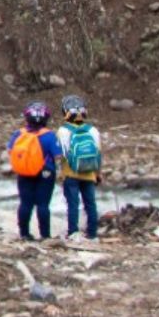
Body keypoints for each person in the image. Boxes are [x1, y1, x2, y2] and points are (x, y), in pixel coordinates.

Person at [6, 101, 63, 240]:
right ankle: (45, 235)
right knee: (43, 204)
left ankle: (24, 233)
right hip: (46, 172)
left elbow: (10, 150)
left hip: (24, 173)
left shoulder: (18, 134)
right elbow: (58, 155)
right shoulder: (49, 136)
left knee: (25, 203)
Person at [57, 95, 102, 241]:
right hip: (89, 173)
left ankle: (73, 232)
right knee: (90, 204)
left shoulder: (63, 131)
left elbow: (63, 153)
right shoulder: (93, 130)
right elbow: (98, 154)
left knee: (73, 204)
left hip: (71, 174)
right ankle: (93, 233)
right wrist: (98, 173)